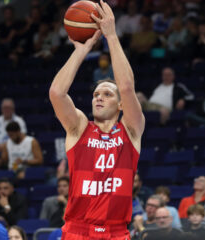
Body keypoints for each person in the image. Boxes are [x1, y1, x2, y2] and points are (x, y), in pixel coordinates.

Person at [49, 1, 144, 239]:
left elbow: (126, 86)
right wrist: (80, 51)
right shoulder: (79, 127)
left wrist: (111, 36)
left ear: (121, 104)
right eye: (95, 94)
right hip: (77, 229)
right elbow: (57, 94)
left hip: (116, 232)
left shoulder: (131, 131)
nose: (98, 98)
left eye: (107, 94)